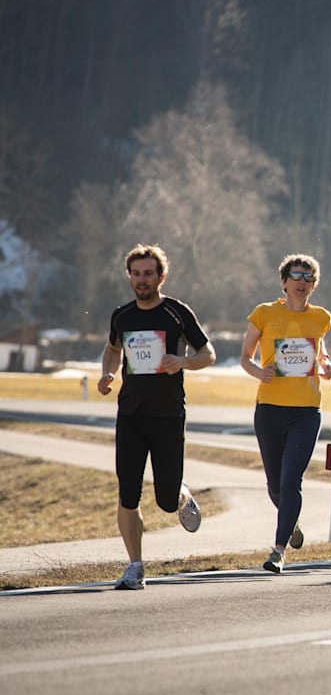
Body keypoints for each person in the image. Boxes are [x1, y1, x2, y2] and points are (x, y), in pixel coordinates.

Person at [98, 243, 216, 591]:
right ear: (129, 277)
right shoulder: (122, 316)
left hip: (167, 416)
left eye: (148, 274)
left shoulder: (176, 313)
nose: (142, 280)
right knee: (128, 493)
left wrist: (183, 362)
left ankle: (180, 495)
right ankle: (135, 566)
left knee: (165, 500)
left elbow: (207, 353)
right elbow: (112, 349)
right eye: (136, 274)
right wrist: (107, 373)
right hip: (130, 416)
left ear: (161, 277)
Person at [240, 253, 331, 574]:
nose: (302, 283)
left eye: (309, 278)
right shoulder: (264, 314)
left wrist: (326, 365)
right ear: (283, 282)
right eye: (296, 276)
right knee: (275, 485)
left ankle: (278, 551)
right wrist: (259, 372)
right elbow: (245, 357)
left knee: (291, 479)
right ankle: (290, 521)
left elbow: (319, 350)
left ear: (314, 285)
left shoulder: (321, 317)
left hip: (306, 411)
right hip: (270, 409)